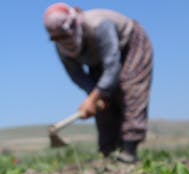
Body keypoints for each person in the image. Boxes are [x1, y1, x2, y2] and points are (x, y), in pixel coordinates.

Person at [43, 3, 153, 163]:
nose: (62, 40)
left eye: (64, 35)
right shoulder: (61, 48)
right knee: (102, 102)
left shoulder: (99, 25)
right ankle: (108, 151)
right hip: (98, 61)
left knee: (131, 91)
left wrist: (94, 96)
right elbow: (76, 74)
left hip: (129, 46)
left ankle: (129, 150)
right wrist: (93, 95)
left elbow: (112, 66)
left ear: (73, 25)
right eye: (57, 38)